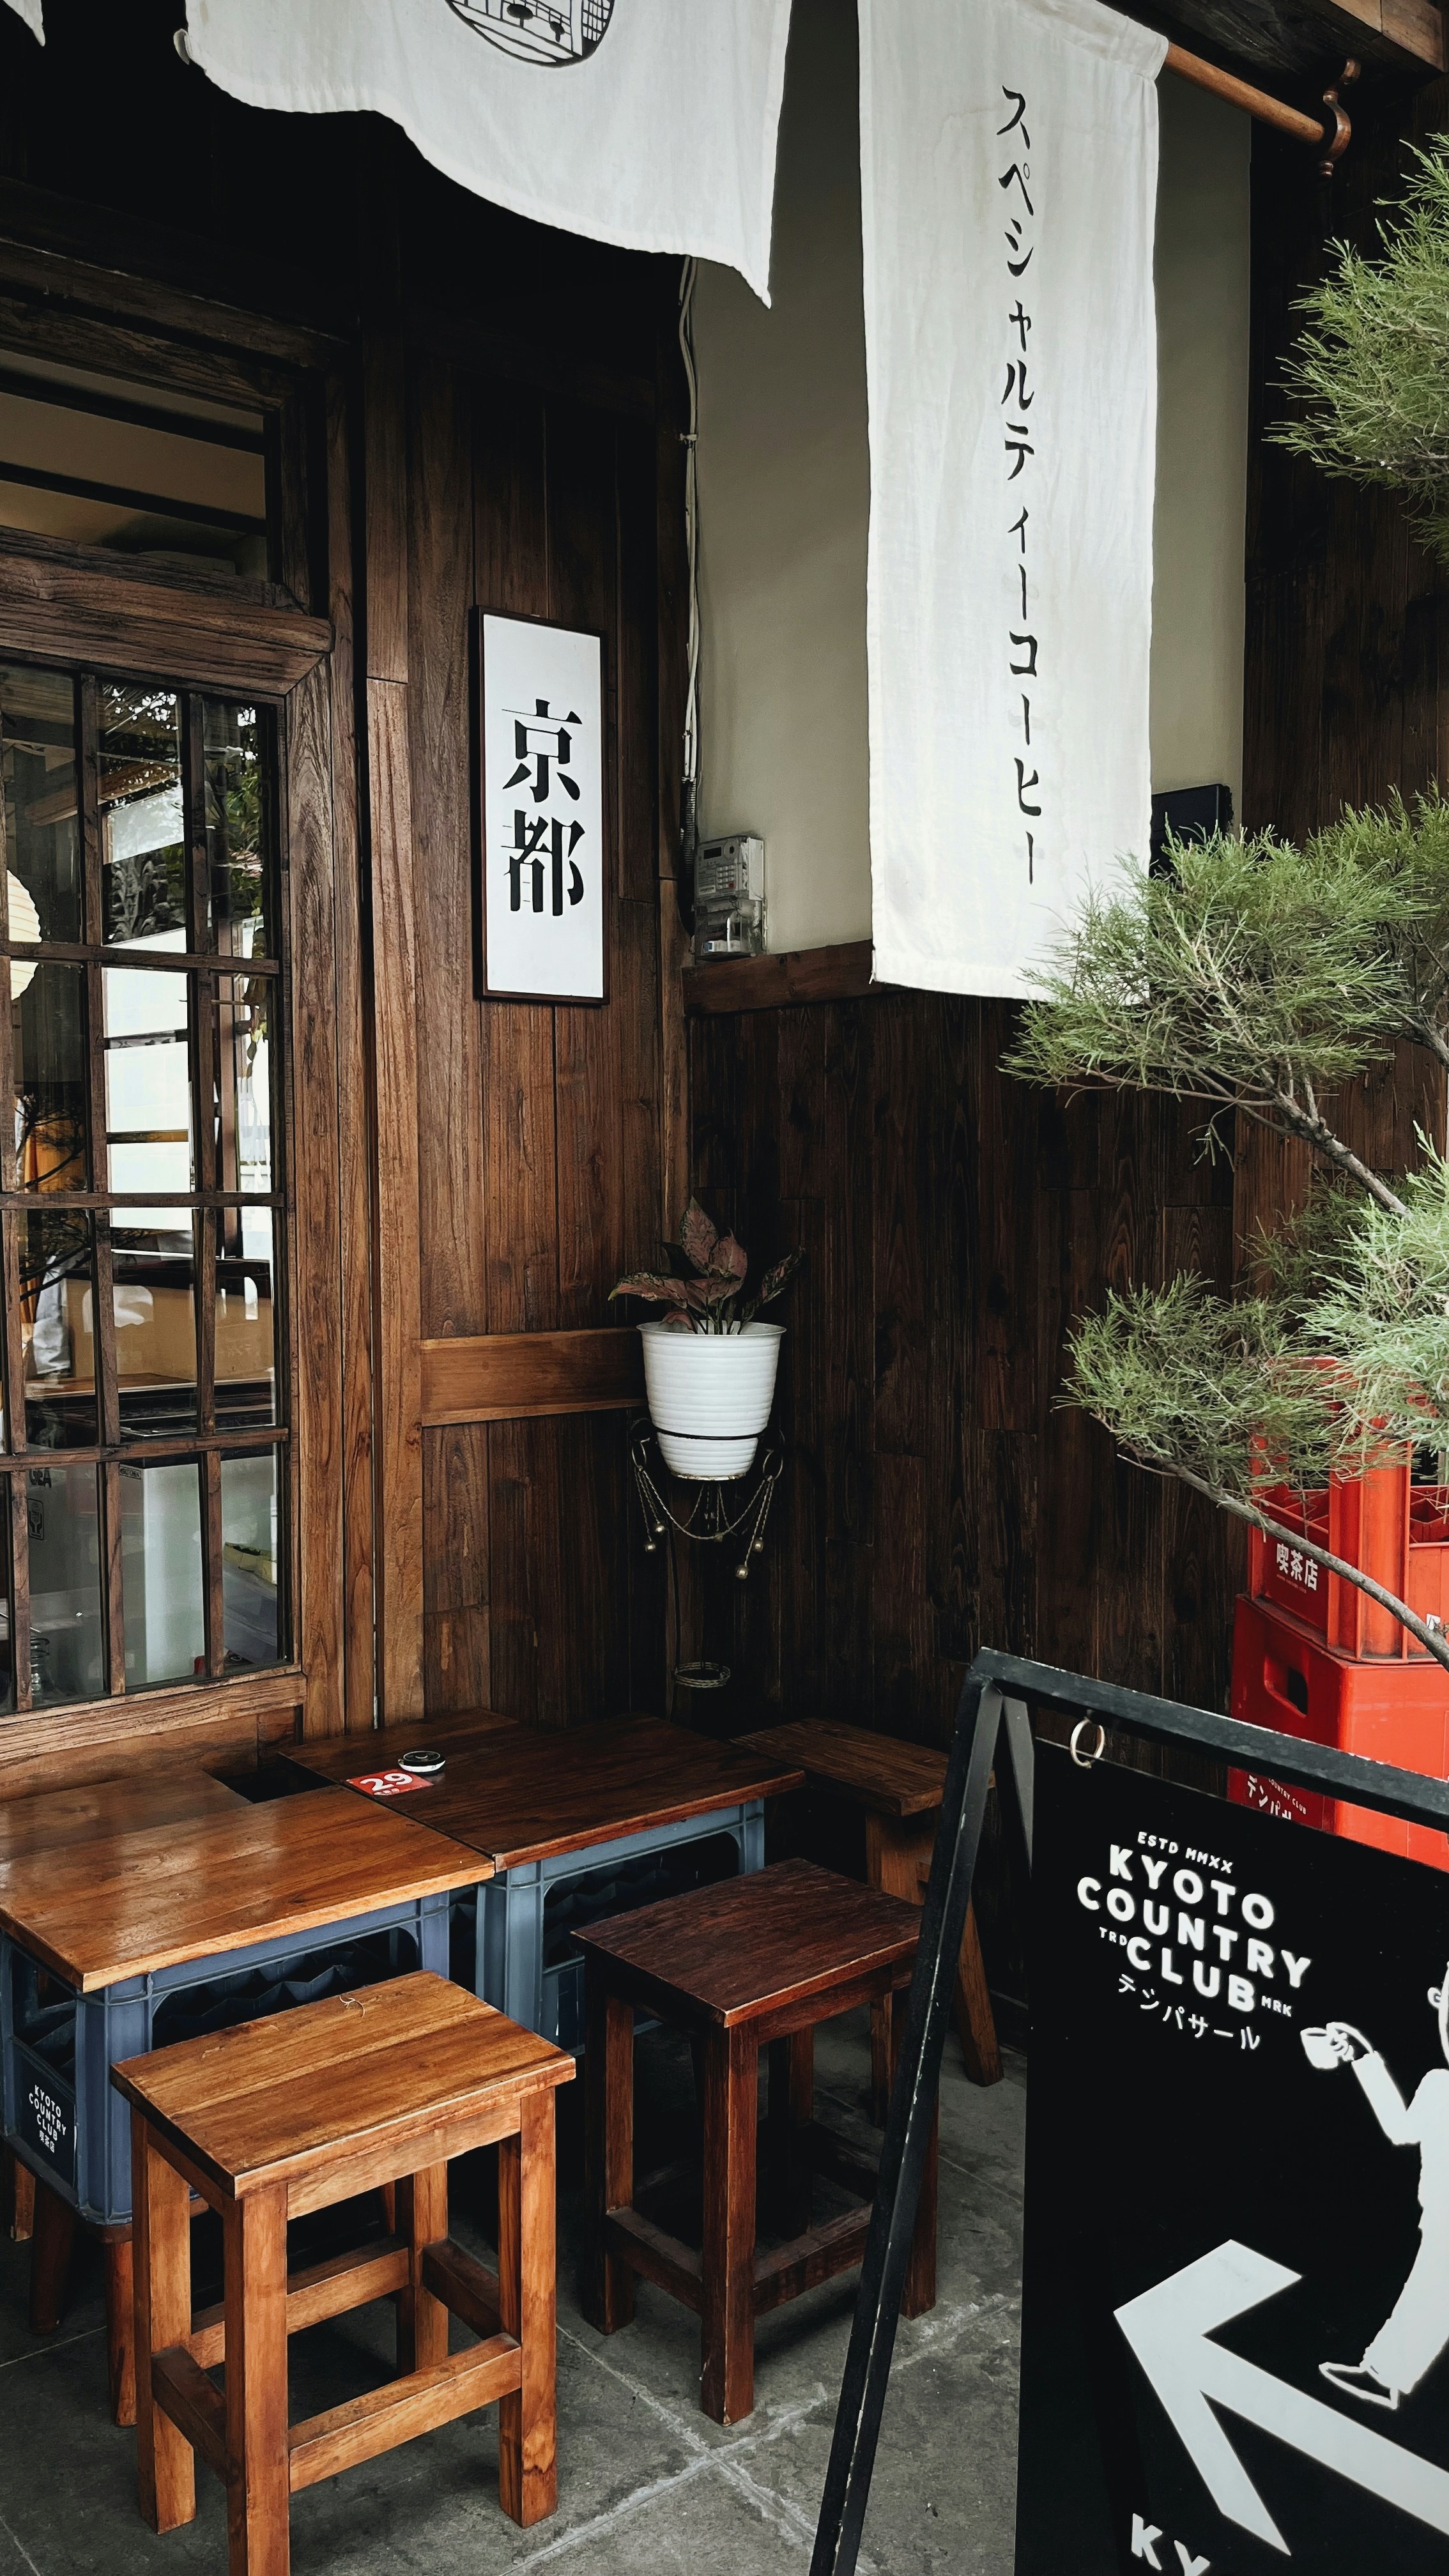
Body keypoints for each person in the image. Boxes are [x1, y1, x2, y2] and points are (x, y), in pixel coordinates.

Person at [1310, 1972, 1449, 2411]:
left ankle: (1383, 2374)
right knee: (1429, 2296)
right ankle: (1382, 2374)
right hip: (1441, 2218)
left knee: (1432, 2296)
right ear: (1438, 2000)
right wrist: (1363, 2058)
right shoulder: (1439, 2087)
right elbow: (1401, 2130)